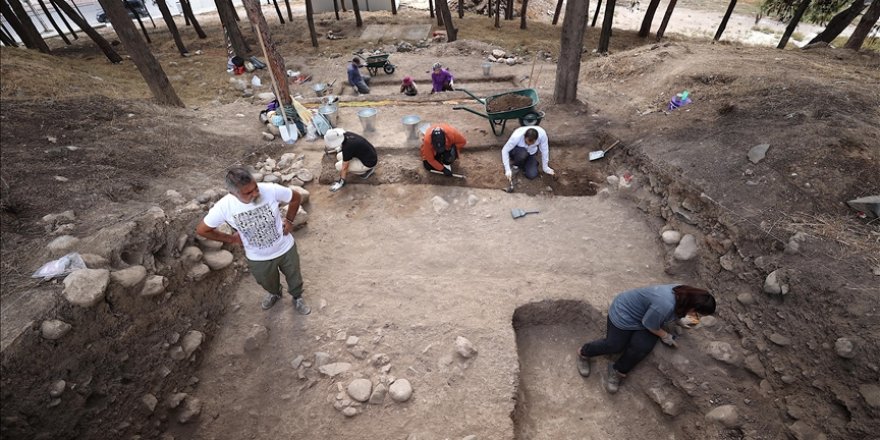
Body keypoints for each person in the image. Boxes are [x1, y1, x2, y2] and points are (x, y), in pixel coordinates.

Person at [196, 167, 311, 314]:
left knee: (294, 276)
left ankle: (297, 297)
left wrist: (289, 220)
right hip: (258, 257)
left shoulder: (270, 189)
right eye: (248, 193)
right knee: (266, 281)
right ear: (233, 193)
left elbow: (295, 197)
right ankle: (275, 293)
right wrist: (231, 238)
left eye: (255, 188)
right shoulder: (224, 207)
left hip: (285, 248)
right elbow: (202, 230)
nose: (256, 193)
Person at [577, 285, 716, 393]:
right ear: (692, 305)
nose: (695, 316)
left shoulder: (685, 294)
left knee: (642, 347)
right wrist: (665, 336)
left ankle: (617, 370)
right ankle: (584, 353)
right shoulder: (665, 304)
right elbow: (650, 325)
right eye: (696, 312)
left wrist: (679, 320)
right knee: (615, 345)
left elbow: (663, 316)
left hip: (647, 317)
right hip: (625, 313)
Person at [325, 128, 378, 192]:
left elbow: (344, 167)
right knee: (339, 156)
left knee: (338, 166)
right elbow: (344, 145)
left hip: (369, 162)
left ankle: (367, 171)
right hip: (369, 154)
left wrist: (341, 182)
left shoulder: (348, 147)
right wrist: (337, 149)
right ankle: (362, 167)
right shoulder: (346, 134)